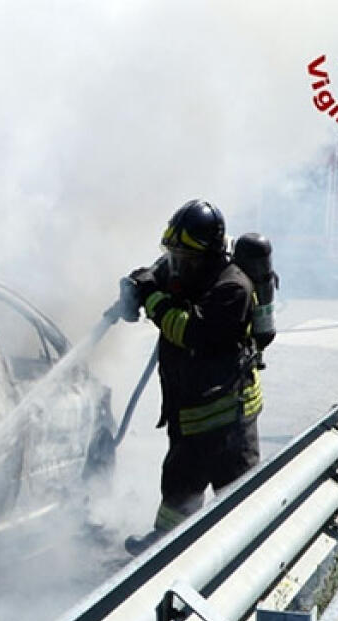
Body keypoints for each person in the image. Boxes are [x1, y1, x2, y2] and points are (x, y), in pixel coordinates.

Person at [123, 199, 263, 555]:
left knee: (234, 496)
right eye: (174, 256)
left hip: (228, 415)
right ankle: (166, 549)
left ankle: (240, 560)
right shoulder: (190, 269)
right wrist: (140, 281)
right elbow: (159, 272)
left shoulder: (233, 287)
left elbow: (189, 332)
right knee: (180, 485)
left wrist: (151, 299)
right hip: (192, 410)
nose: (177, 265)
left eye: (185, 259)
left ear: (208, 255)